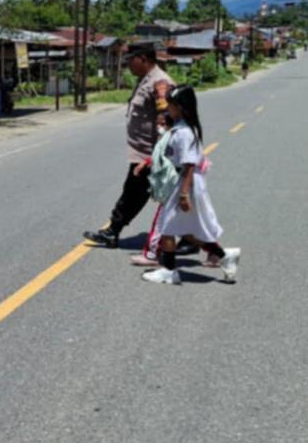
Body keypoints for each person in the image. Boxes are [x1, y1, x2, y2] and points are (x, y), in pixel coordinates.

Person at [141, 85, 240, 285]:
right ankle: (223, 255)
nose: (167, 108)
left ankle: (169, 271)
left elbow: (188, 164)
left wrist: (184, 194)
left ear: (180, 107)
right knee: (184, 229)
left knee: (167, 227)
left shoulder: (185, 132)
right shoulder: (181, 127)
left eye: (170, 104)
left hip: (185, 183)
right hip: (183, 181)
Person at [85, 44, 174, 248]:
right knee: (151, 193)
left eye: (130, 60)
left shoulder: (159, 82)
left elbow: (166, 119)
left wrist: (157, 154)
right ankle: (191, 237)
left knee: (136, 192)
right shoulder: (147, 79)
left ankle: (113, 231)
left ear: (143, 58)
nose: (127, 64)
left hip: (150, 152)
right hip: (143, 151)